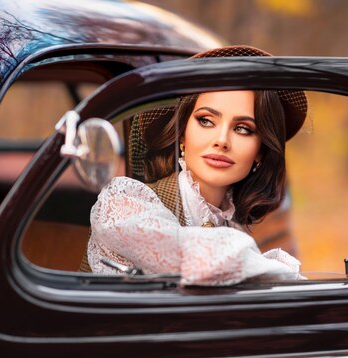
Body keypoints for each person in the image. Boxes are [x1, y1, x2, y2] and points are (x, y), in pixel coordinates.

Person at [83, 45, 308, 286]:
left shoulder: (235, 228)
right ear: (182, 134)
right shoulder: (124, 204)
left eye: (243, 129)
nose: (221, 140)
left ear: (260, 152)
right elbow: (206, 259)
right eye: (206, 120)